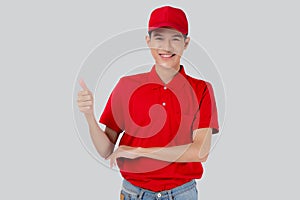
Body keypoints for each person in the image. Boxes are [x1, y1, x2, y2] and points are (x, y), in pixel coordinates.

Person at [77, 5, 219, 200]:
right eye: (159, 38)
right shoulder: (127, 86)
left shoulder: (201, 90)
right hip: (133, 193)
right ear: (148, 41)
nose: (166, 47)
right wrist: (89, 116)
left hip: (182, 194)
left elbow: (199, 152)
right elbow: (107, 150)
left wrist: (140, 152)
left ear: (186, 43)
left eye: (175, 38)